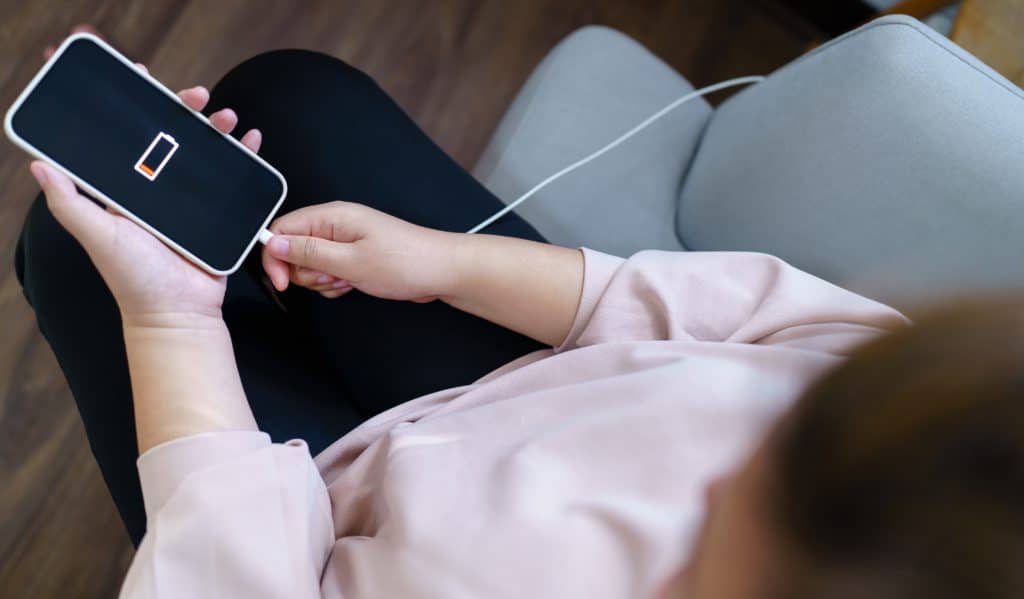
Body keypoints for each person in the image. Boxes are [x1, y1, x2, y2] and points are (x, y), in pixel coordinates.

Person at [15, 29, 1023, 599]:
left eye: (722, 516)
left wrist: (174, 324)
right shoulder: (912, 406)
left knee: (71, 247)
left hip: (299, 557)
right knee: (293, 97)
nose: (705, 474)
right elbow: (702, 308)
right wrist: (442, 262)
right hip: (503, 393)